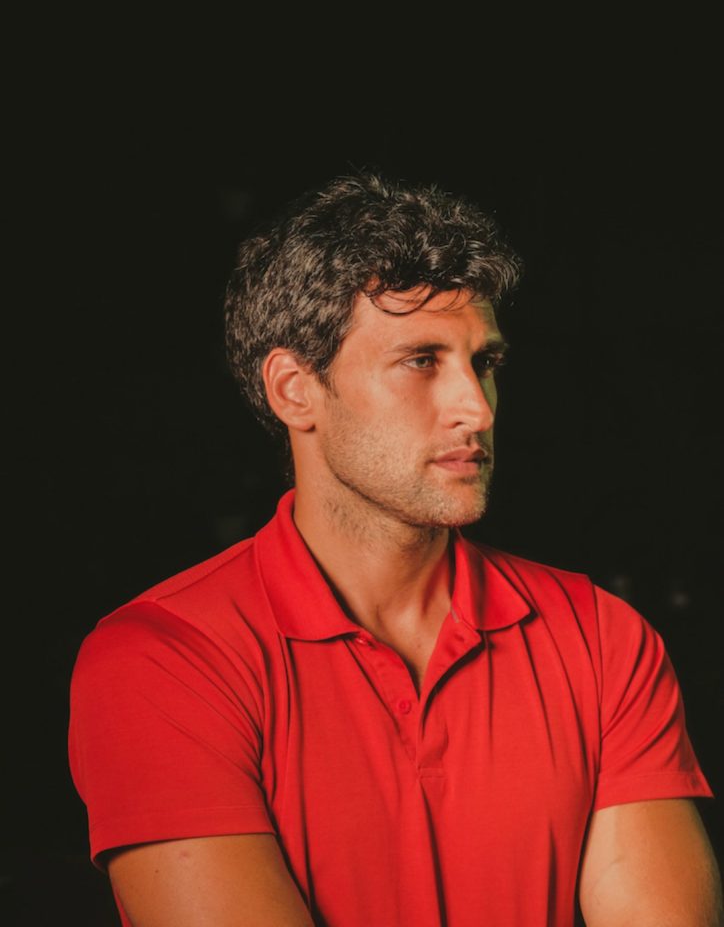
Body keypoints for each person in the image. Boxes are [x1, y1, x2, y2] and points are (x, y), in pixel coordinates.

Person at [69, 173, 721, 926]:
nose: (476, 408)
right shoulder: (164, 660)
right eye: (421, 361)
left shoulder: (602, 640)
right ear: (294, 389)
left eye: (484, 363)